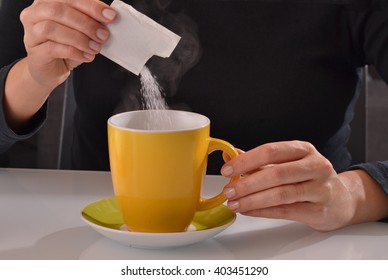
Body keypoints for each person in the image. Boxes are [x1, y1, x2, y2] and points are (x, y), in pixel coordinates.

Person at [1, 0, 388, 232]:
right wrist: (32, 77)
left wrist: (355, 195)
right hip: (98, 240)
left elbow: (356, 196)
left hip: (296, 240)